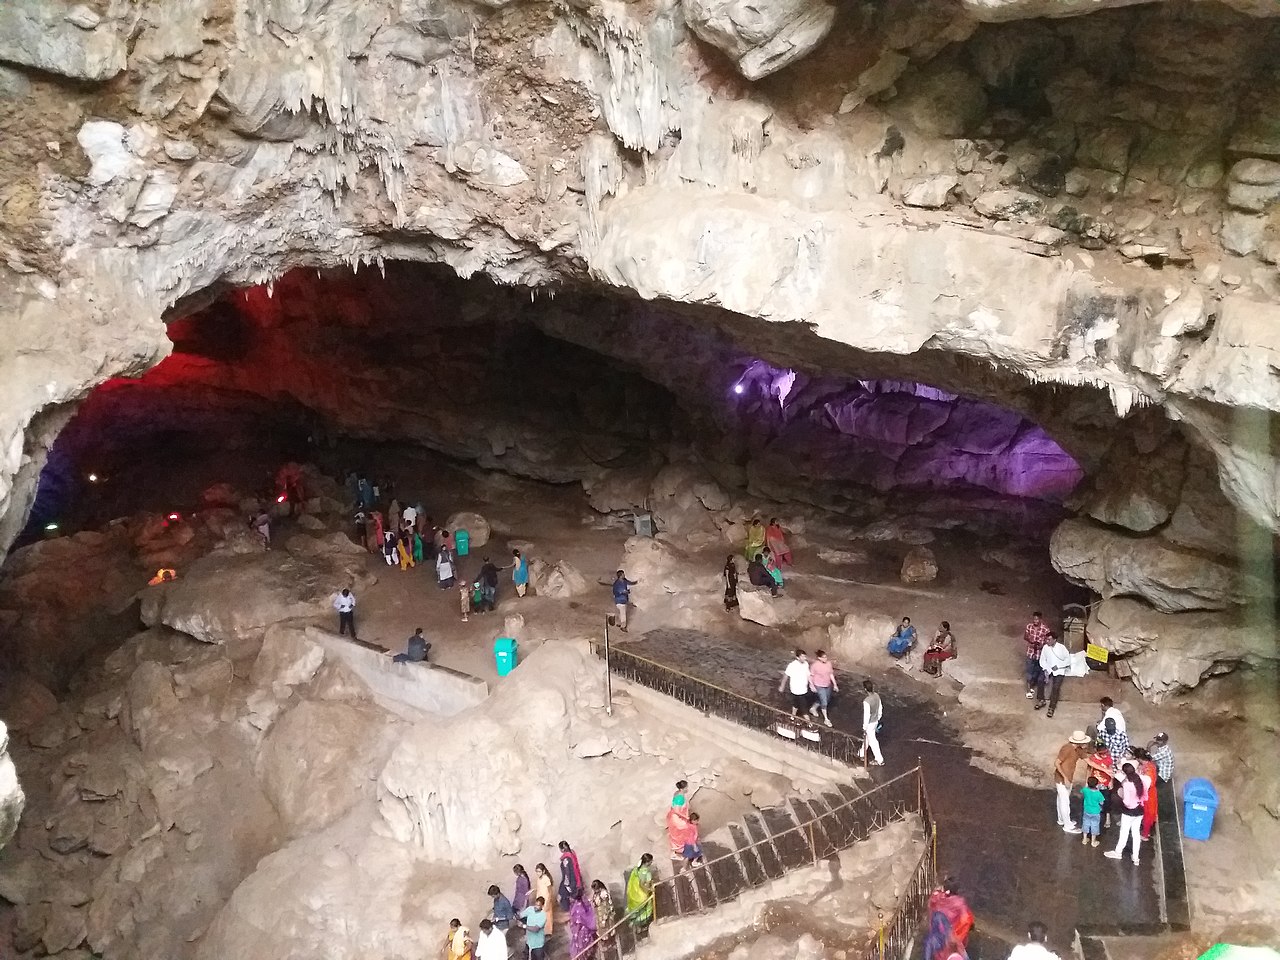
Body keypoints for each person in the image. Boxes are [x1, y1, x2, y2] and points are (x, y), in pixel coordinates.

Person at [1104, 761, 1147, 864]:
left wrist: (1121, 794)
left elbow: (1127, 802)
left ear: (1125, 773)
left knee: (1124, 832)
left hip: (1129, 811)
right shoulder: (1140, 780)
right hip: (1140, 810)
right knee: (1136, 834)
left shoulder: (1127, 784)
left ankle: (1118, 852)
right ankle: (1136, 858)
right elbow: (1145, 796)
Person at [924, 878, 974, 960]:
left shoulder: (937, 898)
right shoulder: (960, 903)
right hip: (953, 940)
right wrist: (956, 936)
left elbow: (931, 908)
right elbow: (966, 920)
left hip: (938, 936)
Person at [1053, 730, 1091, 833]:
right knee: (1065, 801)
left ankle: (1061, 819)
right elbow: (1057, 763)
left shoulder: (1078, 750)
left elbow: (1089, 761)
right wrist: (1065, 777)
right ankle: (1067, 825)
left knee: (1061, 799)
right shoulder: (1067, 748)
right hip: (1062, 779)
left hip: (1068, 778)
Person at [1035, 634, 1071, 718]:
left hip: (1059, 670)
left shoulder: (1061, 648)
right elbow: (1042, 660)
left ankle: (1052, 707)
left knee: (1056, 687)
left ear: (1055, 640)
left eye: (1049, 640)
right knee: (1040, 680)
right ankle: (1041, 700)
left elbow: (1068, 660)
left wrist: (1058, 665)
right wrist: (1046, 670)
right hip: (1048, 668)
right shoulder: (1045, 648)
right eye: (1046, 640)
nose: (1047, 641)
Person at [1023, 612, 1052, 698]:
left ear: (1040, 619)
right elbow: (1025, 636)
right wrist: (1031, 641)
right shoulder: (1029, 626)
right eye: (1034, 619)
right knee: (1029, 671)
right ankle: (1028, 690)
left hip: (1040, 654)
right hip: (1030, 652)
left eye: (1037, 619)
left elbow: (1049, 641)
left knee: (1037, 671)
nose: (1035, 621)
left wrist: (1041, 645)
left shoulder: (1045, 629)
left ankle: (1032, 686)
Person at [624, 854, 655, 933]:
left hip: (635, 894)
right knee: (646, 911)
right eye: (651, 861)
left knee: (636, 911)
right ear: (647, 862)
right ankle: (637, 926)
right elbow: (642, 884)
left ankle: (636, 927)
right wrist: (650, 890)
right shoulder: (646, 873)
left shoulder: (637, 869)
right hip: (642, 896)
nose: (652, 862)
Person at [1134, 747, 1159, 840]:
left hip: (1148, 794)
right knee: (1147, 813)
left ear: (1139, 758)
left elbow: (1150, 783)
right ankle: (1146, 831)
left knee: (1148, 813)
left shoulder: (1148, 769)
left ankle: (1145, 834)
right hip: (1149, 793)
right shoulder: (1150, 765)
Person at [808, 650, 838, 727]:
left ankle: (813, 708)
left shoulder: (828, 664)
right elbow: (811, 676)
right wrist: (812, 685)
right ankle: (826, 719)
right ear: (819, 658)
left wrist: (835, 684)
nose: (825, 658)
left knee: (825, 699)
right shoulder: (815, 665)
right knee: (824, 701)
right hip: (819, 685)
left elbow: (831, 674)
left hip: (827, 685)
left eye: (826, 657)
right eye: (823, 657)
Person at [779, 650, 811, 717]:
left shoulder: (806, 664)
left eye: (805, 656)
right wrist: (782, 686)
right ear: (797, 657)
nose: (804, 658)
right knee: (804, 708)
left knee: (795, 704)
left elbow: (808, 675)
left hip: (804, 689)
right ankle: (809, 723)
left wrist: (811, 684)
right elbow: (786, 675)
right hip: (796, 690)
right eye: (802, 656)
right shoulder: (792, 665)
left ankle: (793, 716)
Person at [860, 679, 884, 766]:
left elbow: (867, 715)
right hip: (875, 721)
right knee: (867, 739)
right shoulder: (877, 696)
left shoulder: (866, 701)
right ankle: (861, 753)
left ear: (865, 689)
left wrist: (864, 726)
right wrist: (878, 717)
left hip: (870, 723)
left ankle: (879, 759)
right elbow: (880, 708)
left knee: (873, 741)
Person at [569, 889, 598, 959]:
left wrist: (575, 932)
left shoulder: (577, 907)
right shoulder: (585, 903)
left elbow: (578, 921)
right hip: (586, 931)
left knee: (580, 948)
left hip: (581, 932)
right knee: (587, 947)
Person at [558, 841, 584, 912]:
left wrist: (567, 885)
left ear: (562, 849)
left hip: (571, 881)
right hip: (577, 879)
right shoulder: (572, 854)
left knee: (563, 897)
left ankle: (570, 914)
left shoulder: (566, 859)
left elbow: (567, 873)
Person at [1080, 775, 1105, 848]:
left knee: (1086, 823)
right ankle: (1093, 841)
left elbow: (1082, 792)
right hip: (1096, 812)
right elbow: (1101, 802)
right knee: (1095, 825)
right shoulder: (1098, 794)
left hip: (1087, 810)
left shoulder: (1085, 790)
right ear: (1097, 784)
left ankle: (1084, 839)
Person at [590, 880, 615, 952]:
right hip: (599, 916)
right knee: (601, 932)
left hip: (606, 916)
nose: (595, 891)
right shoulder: (596, 894)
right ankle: (606, 944)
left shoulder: (604, 894)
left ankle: (610, 945)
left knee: (608, 931)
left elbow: (607, 907)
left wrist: (605, 918)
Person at [533, 863, 555, 934]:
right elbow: (540, 887)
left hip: (546, 899)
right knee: (540, 915)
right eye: (537, 871)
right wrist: (533, 890)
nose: (538, 873)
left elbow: (550, 891)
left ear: (543, 871)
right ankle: (542, 930)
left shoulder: (546, 879)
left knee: (547, 916)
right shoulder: (538, 879)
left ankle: (548, 931)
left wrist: (548, 902)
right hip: (540, 899)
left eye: (539, 871)